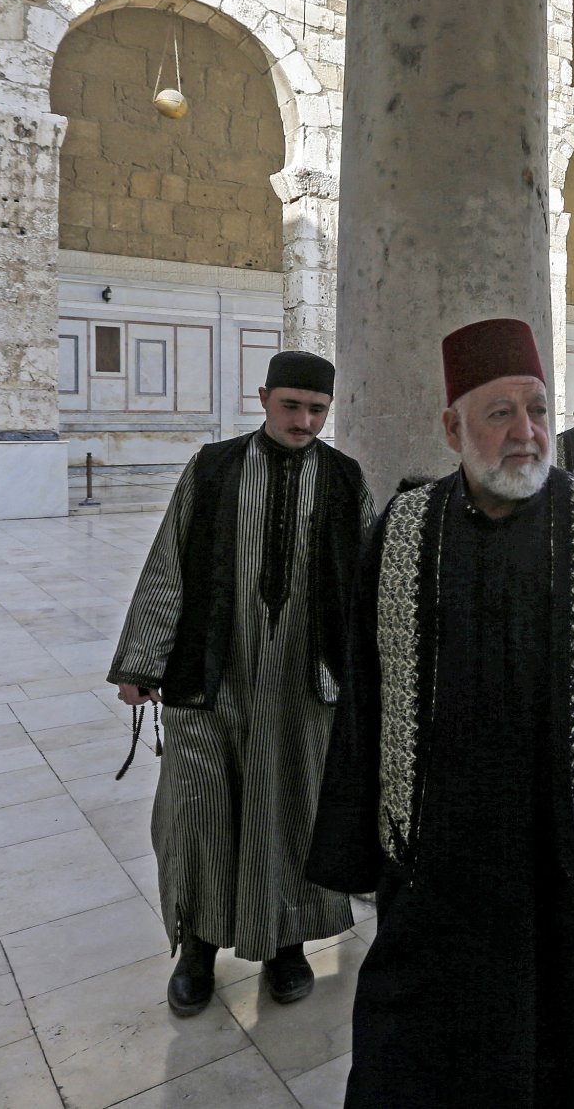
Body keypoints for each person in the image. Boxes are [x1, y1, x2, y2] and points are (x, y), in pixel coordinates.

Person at [308, 318, 574, 1109]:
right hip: (435, 867)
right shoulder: (406, 530)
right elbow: (368, 693)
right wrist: (356, 843)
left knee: (551, 1046)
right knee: (410, 1048)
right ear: (453, 426)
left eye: (537, 409)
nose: (526, 432)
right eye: (499, 413)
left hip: (561, 863)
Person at [106, 350, 370, 1015]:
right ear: (262, 398)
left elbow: (368, 584)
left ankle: (287, 943)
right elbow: (169, 563)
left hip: (305, 688)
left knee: (294, 811)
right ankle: (197, 946)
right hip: (212, 674)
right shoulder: (214, 466)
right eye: (292, 406)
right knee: (198, 813)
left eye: (317, 409)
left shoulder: (345, 480)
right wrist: (142, 659)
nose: (304, 420)